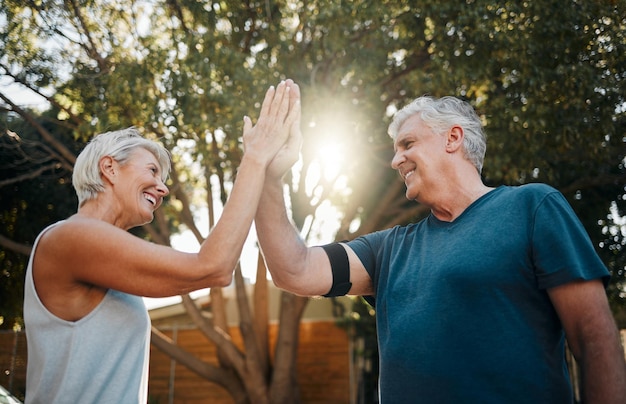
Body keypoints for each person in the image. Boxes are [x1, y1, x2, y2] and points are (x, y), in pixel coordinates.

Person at [255, 92, 626, 403]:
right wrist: (268, 176)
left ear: (453, 138)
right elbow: (294, 269)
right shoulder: (387, 250)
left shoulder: (532, 208)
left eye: (408, 144)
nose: (395, 159)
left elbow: (594, 337)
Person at [23, 80, 300, 404]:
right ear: (109, 168)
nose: (163, 188)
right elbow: (212, 268)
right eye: (152, 171)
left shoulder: (103, 259)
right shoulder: (70, 237)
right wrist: (254, 158)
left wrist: (268, 172)